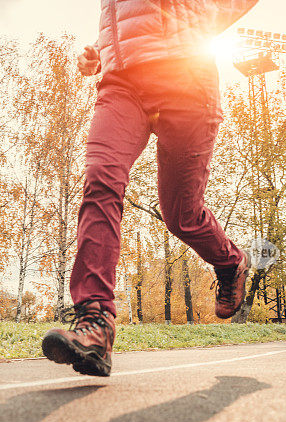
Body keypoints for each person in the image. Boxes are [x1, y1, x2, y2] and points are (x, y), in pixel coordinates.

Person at [42, 0, 259, 377]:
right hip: (122, 84)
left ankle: (229, 261)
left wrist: (194, 25)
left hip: (186, 80)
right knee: (100, 179)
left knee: (181, 216)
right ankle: (95, 323)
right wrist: (102, 47)